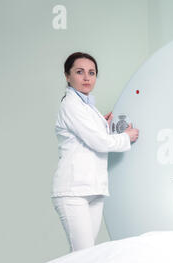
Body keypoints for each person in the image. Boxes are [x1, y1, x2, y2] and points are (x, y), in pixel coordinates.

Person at [51, 52, 139, 252]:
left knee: (88, 255)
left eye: (91, 73)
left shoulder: (88, 106)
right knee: (82, 256)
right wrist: (126, 137)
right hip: (73, 191)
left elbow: (90, 137)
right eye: (79, 72)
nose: (86, 77)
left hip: (94, 188)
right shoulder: (70, 105)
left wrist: (103, 125)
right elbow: (98, 142)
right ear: (67, 76)